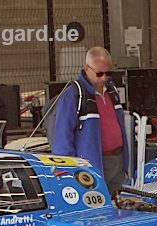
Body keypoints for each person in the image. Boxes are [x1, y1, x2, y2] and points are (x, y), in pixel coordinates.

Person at [52, 47, 129, 196]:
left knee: (117, 205)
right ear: (86, 68)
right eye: (99, 73)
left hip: (117, 161)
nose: (104, 78)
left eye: (108, 73)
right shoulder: (73, 95)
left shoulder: (112, 91)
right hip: (93, 164)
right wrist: (69, 171)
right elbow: (62, 138)